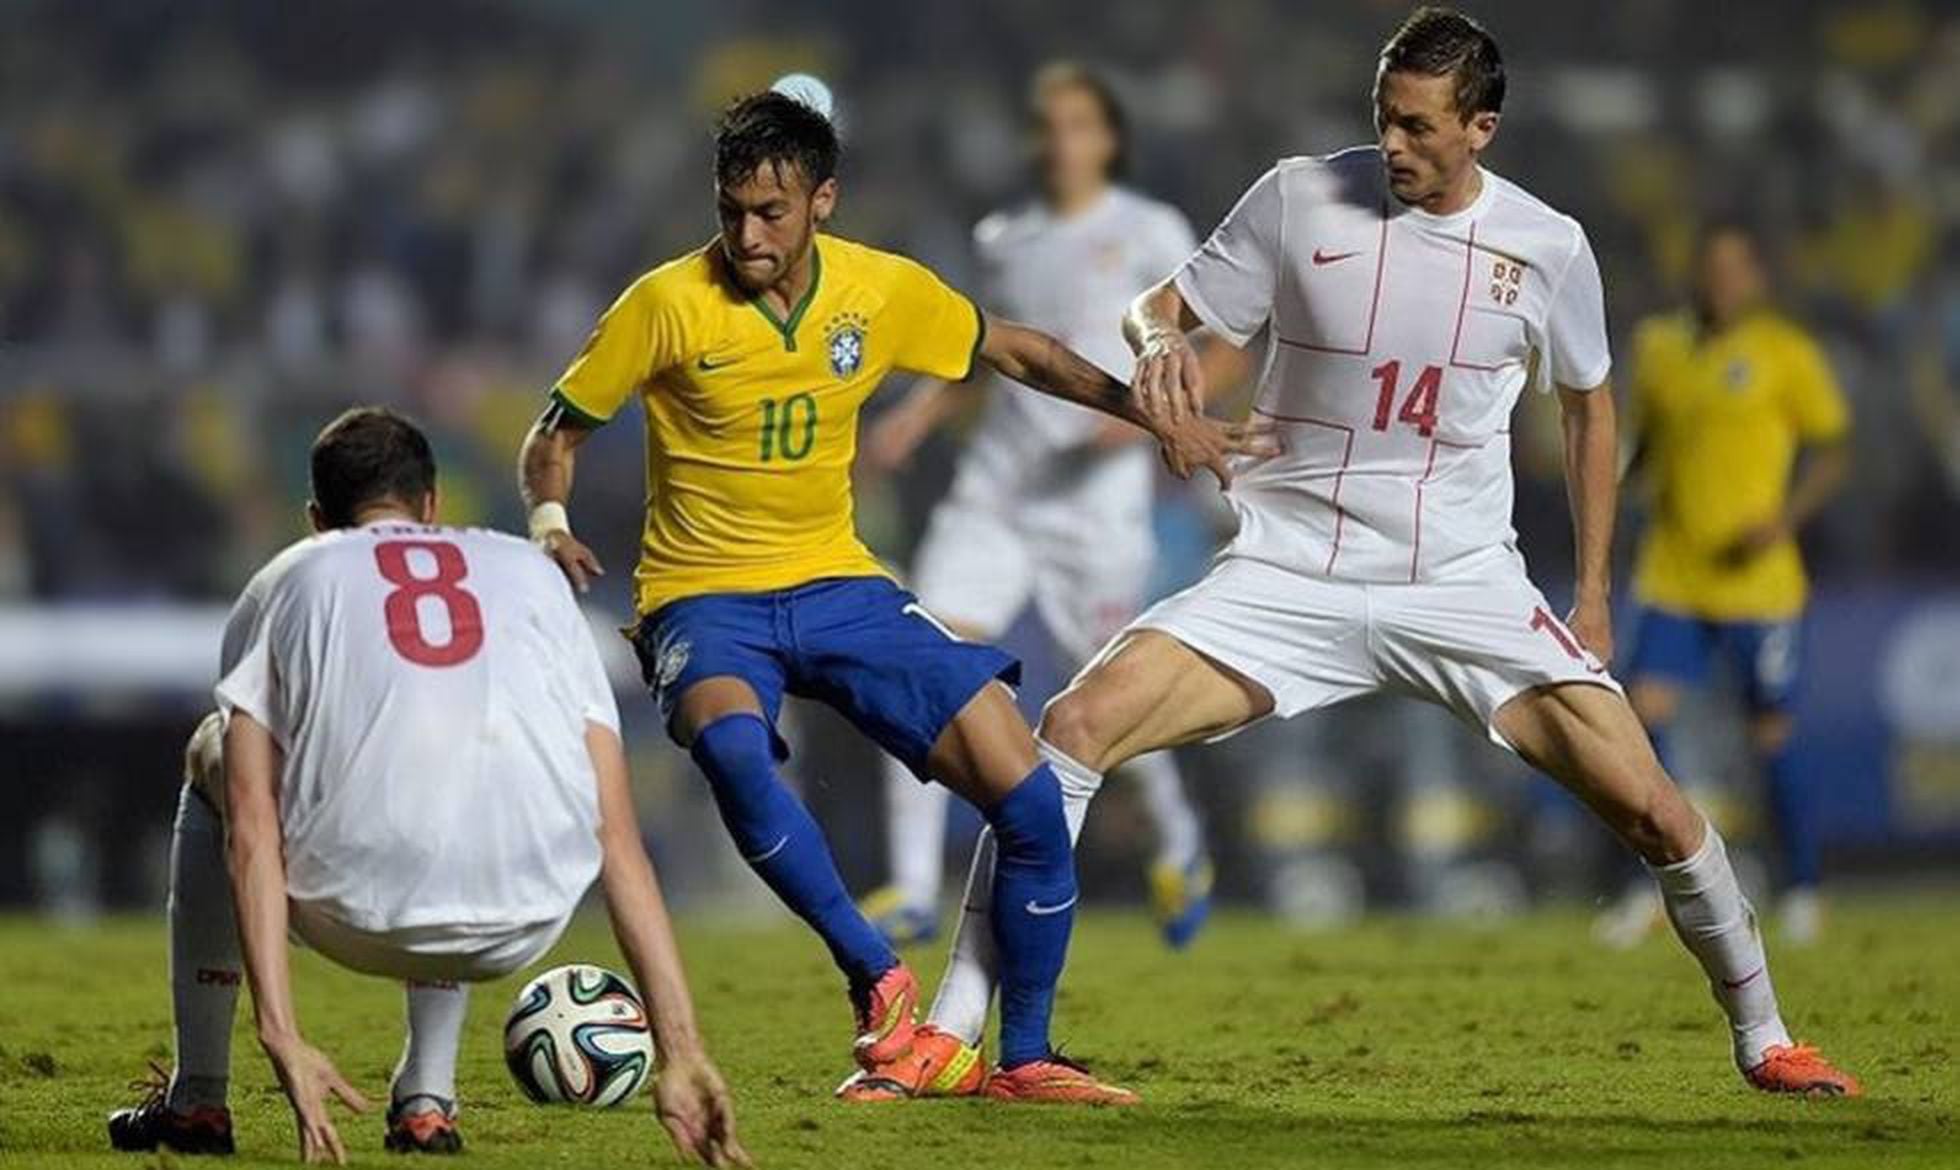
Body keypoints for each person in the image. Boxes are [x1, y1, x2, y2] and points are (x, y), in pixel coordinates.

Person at [866, 6, 1860, 1100]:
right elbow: (1160, 309)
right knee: (1071, 728)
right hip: (1289, 569)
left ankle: (1764, 1035)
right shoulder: (1299, 195)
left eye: (1420, 127)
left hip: (1459, 581)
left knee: (1656, 811)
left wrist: (1586, 593)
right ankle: (955, 1027)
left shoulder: (1547, 246)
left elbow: (1589, 411)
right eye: (1382, 119)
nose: (1391, 145)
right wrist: (1160, 357)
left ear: (1480, 126)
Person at [517, 90, 1262, 1105]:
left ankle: (1025, 1055)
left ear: (822, 201)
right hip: (704, 596)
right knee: (734, 753)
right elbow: (554, 437)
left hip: (838, 581)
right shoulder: (663, 303)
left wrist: (1149, 412)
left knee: (1031, 796)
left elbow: (1021, 351)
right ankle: (876, 973)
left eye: (770, 212)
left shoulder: (880, 291)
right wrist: (551, 524)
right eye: (731, 210)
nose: (747, 234)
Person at [109, 408, 747, 1165]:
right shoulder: (532, 573)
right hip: (526, 919)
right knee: (463, 743)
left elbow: (250, 827)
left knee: (213, 751)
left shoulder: (289, 578)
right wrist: (681, 1050)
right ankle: (427, 1101)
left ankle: (200, 1099)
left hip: (348, 910)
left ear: (318, 520)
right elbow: (620, 840)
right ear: (434, 504)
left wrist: (282, 1035)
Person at [856, 61, 1228, 951]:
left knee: (1106, 699)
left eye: (1076, 124)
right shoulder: (1004, 237)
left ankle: (1177, 841)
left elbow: (1216, 343)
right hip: (997, 489)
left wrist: (1152, 424)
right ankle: (910, 885)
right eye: (1047, 124)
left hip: (1094, 505)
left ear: (1107, 138)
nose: (1060, 140)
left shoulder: (1149, 230)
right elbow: (991, 353)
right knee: (923, 662)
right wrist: (913, 417)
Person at [1598, 222, 1851, 947]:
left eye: (1736, 269)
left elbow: (1832, 451)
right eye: (1711, 267)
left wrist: (1785, 517)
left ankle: (1801, 885)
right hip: (1673, 575)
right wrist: (1610, 488)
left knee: (1770, 735)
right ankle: (1653, 884)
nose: (1722, 281)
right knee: (1639, 723)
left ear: (1758, 279)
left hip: (1760, 584)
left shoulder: (1786, 354)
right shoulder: (1657, 347)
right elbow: (1641, 444)